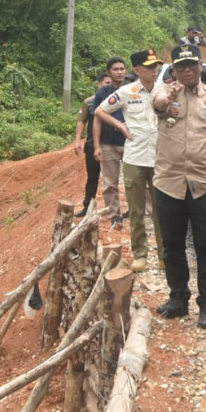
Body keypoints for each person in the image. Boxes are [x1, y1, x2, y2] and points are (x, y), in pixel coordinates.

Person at [151, 44, 206, 329]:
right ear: (174, 70)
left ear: (201, 66)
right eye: (181, 66)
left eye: (192, 65)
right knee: (172, 244)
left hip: (203, 184)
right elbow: (158, 105)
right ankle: (178, 298)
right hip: (168, 183)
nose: (187, 70)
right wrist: (168, 96)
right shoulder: (163, 91)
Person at [94, 49, 166, 273]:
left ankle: (165, 256)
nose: (154, 71)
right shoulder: (126, 92)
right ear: (137, 70)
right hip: (134, 158)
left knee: (162, 210)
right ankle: (140, 254)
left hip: (160, 159)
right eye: (150, 67)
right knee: (136, 211)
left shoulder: (164, 91)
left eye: (156, 66)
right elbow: (99, 111)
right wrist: (120, 126)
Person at [92, 57, 128, 229]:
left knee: (137, 181)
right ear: (109, 72)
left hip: (130, 142)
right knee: (110, 182)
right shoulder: (103, 93)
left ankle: (138, 213)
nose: (120, 72)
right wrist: (97, 145)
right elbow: (97, 119)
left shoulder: (132, 90)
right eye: (116, 69)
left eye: (122, 69)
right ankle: (115, 216)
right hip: (108, 142)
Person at [73, 72, 110, 218]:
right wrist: (77, 140)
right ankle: (87, 207)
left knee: (111, 179)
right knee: (92, 176)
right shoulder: (89, 102)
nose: (108, 85)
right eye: (106, 83)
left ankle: (112, 209)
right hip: (91, 144)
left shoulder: (117, 99)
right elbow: (81, 121)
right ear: (99, 84)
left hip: (111, 144)